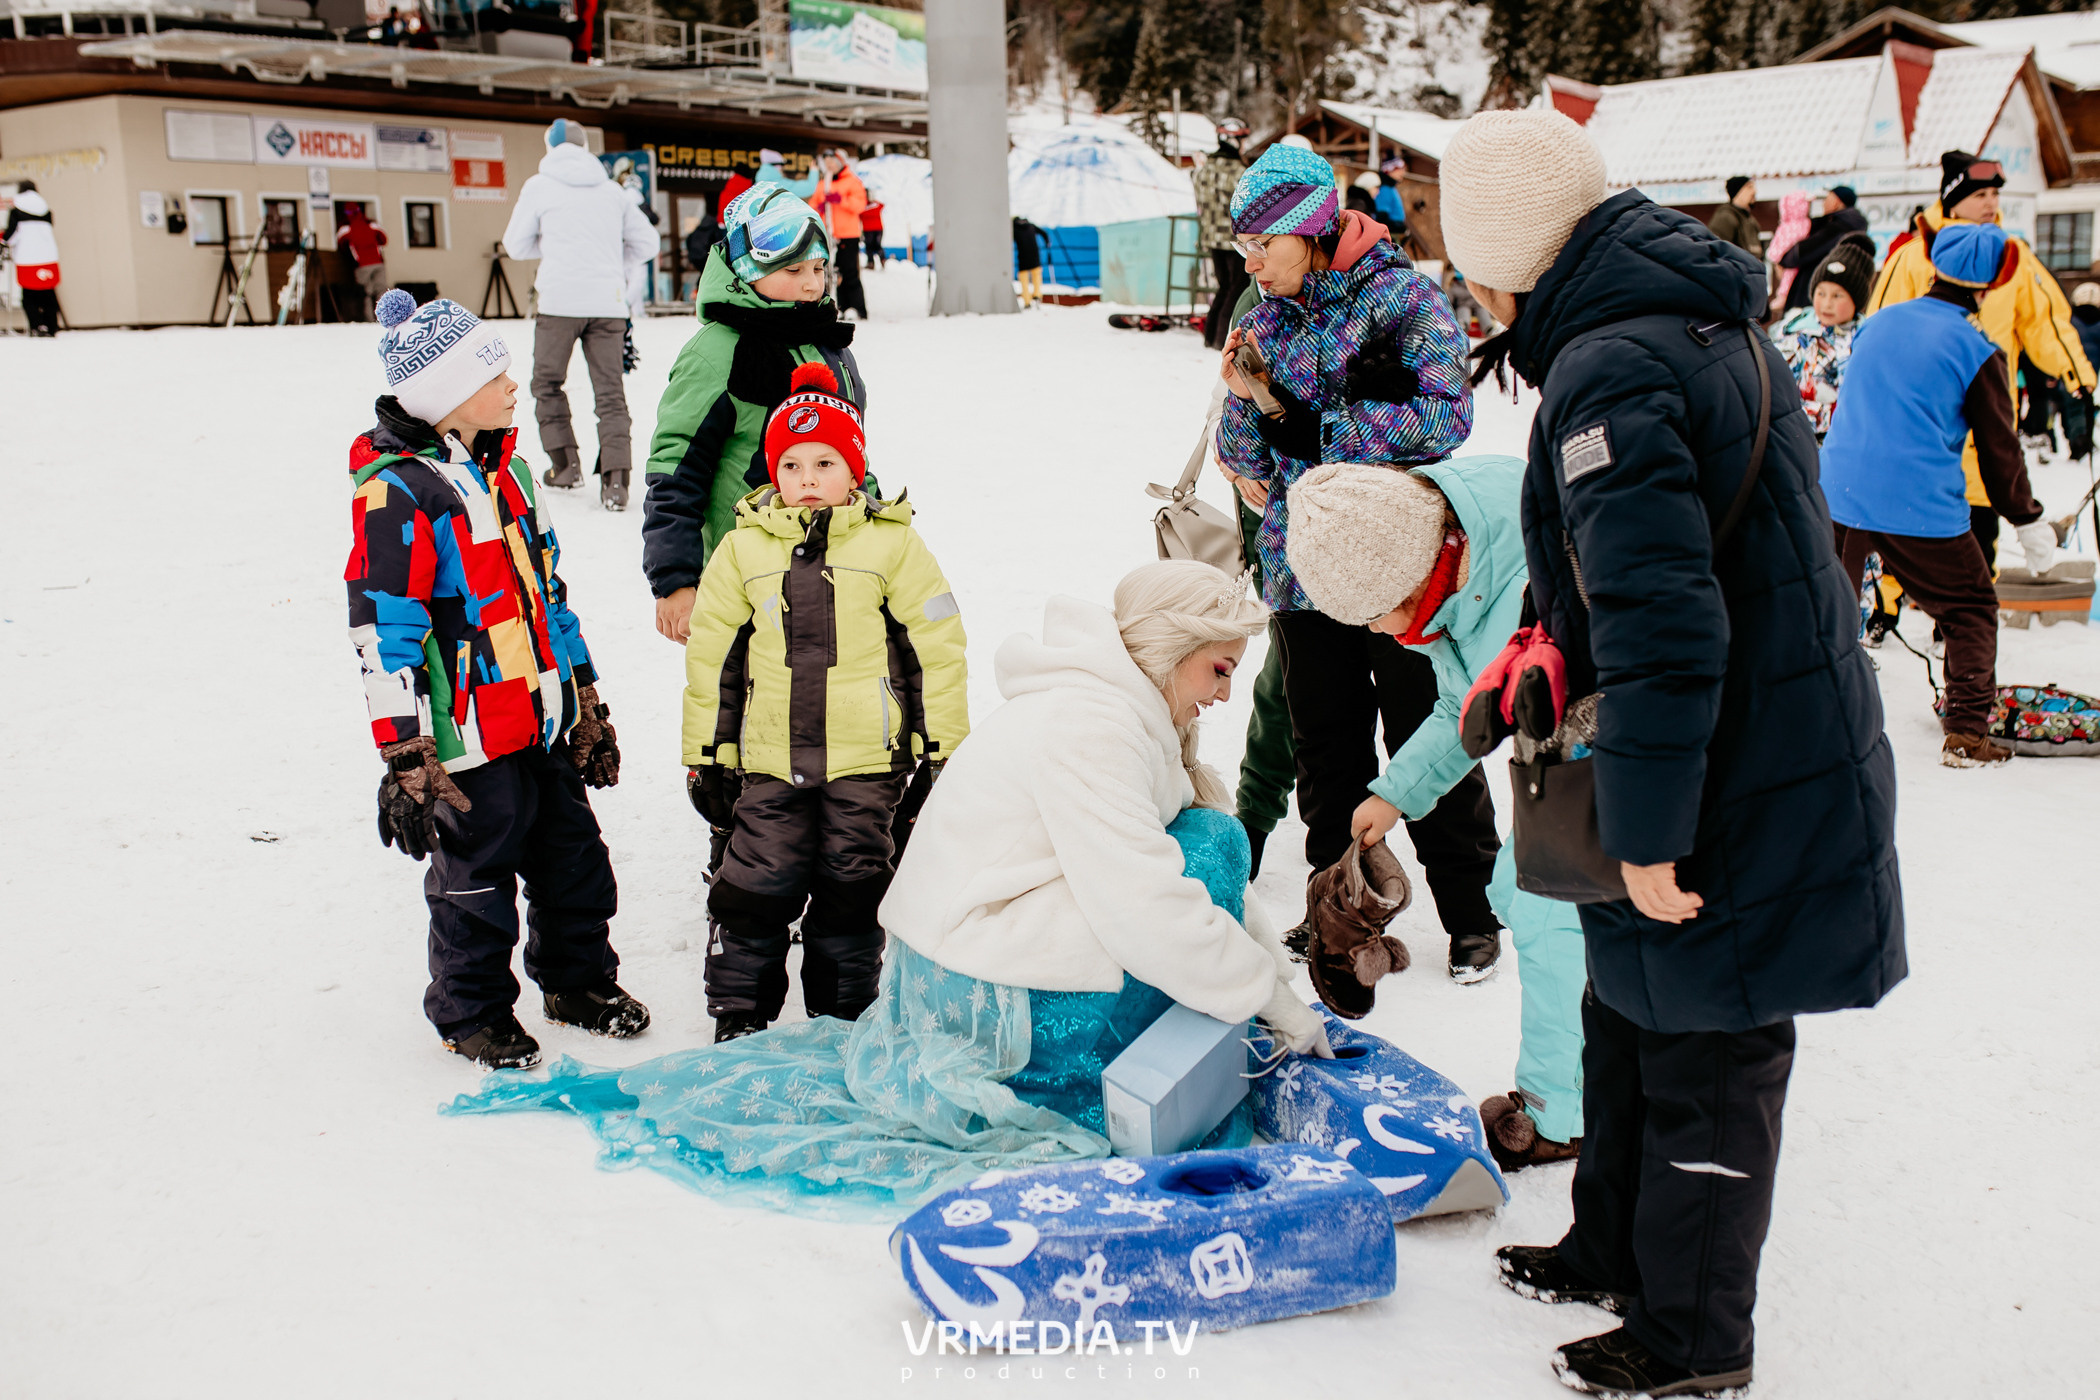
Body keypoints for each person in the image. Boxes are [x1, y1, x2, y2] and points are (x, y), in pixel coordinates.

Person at [1439, 109, 1904, 1399]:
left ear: (1507, 257)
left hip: (1726, 775)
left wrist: (1645, 828)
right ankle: (1613, 1241)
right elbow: (1635, 578)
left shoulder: (1614, 371)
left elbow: (1663, 615)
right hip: (1717, 745)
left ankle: (1692, 1335)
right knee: (1631, 1011)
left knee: (1705, 1044)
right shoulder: (1682, 325)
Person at [444, 561, 1331, 1216]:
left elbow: (1162, 882)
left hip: (963, 966)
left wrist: (1266, 987)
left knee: (1206, 844)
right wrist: (1267, 999)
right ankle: (1092, 1079)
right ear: (1172, 653)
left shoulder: (1112, 708)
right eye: (1219, 669)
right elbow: (1150, 904)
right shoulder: (1091, 725)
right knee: (1210, 845)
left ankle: (1173, 1035)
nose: (1223, 693)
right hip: (984, 994)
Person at [1214, 141, 1504, 983]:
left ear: (1307, 230)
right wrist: (1244, 402)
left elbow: (1449, 416)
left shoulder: (1402, 298)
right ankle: (1338, 909)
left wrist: (1330, 432)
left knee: (1428, 725)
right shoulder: (1261, 318)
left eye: (1261, 243)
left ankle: (1471, 911)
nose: (1251, 261)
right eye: (1244, 247)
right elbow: (1245, 456)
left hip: (1401, 568)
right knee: (1327, 750)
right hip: (1303, 572)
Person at [347, 289, 648, 1070]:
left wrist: (583, 697)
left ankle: (576, 983)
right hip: (468, 738)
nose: (514, 386)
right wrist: (406, 750)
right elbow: (385, 628)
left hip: (537, 719)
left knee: (575, 863)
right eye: (495, 376)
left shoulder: (510, 473)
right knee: (476, 885)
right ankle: (471, 1010)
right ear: (447, 397)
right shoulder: (402, 492)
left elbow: (549, 595)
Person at [1285, 455, 1589, 1171]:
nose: (1381, 636)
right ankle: (1600, 1063)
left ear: (1410, 575)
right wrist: (1395, 793)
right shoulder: (1455, 570)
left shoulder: (1529, 583)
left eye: (1374, 615)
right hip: (1567, 762)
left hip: (1613, 756)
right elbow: (1466, 704)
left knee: (1551, 914)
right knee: (1533, 900)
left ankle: (1560, 1112)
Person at [683, 363, 967, 1041]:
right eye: (790, 465)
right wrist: (707, 755)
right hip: (771, 760)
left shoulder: (893, 544)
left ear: (856, 469)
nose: (806, 480)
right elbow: (712, 659)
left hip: (866, 764)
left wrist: (941, 749)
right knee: (754, 886)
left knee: (853, 889)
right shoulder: (742, 549)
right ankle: (740, 1013)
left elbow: (937, 646)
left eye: (825, 462)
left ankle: (841, 1017)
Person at [1822, 222, 2057, 768]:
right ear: (1992, 284)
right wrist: (2026, 518)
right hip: (1916, 503)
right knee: (1970, 609)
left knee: (1824, 613)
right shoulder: (1977, 349)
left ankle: (1813, 722)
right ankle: (1967, 736)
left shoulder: (1876, 324)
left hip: (1836, 490)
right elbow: (2000, 453)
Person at [642, 186, 863, 661]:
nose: (812, 284)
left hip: (833, 566)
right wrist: (676, 578)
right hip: (744, 570)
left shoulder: (829, 345)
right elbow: (676, 469)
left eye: (819, 269)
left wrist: (878, 529)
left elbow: (852, 456)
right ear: (747, 271)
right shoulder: (717, 353)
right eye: (793, 270)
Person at [1864, 151, 2096, 566]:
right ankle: (1890, 609)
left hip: (1986, 421)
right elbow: (1877, 337)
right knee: (1908, 524)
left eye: (1995, 194)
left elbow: (2045, 323)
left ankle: (1958, 623)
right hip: (1922, 422)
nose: (1991, 203)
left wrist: (2077, 375)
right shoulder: (1914, 257)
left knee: (1978, 530)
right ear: (1951, 200)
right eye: (1980, 194)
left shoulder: (2013, 258)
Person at [501, 118, 658, 511]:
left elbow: (516, 245)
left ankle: (564, 464)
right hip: (608, 303)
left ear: (551, 146)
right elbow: (648, 243)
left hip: (558, 303)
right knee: (610, 392)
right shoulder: (612, 191)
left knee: (547, 383)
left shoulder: (539, 185)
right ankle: (616, 483)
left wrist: (556, 246)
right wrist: (608, 256)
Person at [1771, 231, 1874, 439]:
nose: (1827, 304)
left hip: (1842, 439)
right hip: (1793, 436)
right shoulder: (1796, 332)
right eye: (1821, 293)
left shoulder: (1866, 339)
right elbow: (1775, 381)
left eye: (1837, 296)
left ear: (1856, 302)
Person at [1194, 117, 1250, 349]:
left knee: (1224, 286)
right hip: (1234, 240)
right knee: (1236, 288)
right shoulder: (1239, 171)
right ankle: (1221, 339)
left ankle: (1210, 335)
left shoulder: (1203, 171)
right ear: (1234, 141)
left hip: (1211, 239)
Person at [1776, 185, 1870, 314]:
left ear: (1836, 202)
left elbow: (1803, 252)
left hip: (1812, 296)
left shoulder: (1837, 228)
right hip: (1832, 297)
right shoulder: (1852, 227)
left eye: (1827, 198)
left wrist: (1783, 259)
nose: (1823, 203)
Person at [812, 149, 869, 320]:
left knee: (850, 271)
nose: (830, 166)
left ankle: (858, 307)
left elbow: (860, 205)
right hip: (829, 235)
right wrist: (819, 208)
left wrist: (841, 200)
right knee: (835, 273)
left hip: (848, 234)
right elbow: (813, 205)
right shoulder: (824, 183)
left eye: (832, 162)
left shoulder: (852, 181)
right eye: (827, 163)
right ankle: (842, 306)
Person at [5, 180, 61, 336]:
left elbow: (11, 235)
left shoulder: (17, 210)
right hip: (49, 257)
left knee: (29, 296)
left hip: (27, 258)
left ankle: (37, 326)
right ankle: (52, 326)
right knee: (49, 294)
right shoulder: (46, 210)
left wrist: (4, 241)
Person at [335, 204, 390, 321]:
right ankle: (384, 317)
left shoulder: (346, 229)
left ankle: (369, 319)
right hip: (378, 263)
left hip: (362, 265)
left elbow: (340, 244)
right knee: (381, 291)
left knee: (366, 293)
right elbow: (384, 240)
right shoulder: (372, 225)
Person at [1706, 176, 1762, 261]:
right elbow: (1716, 251)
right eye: (1749, 187)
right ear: (1737, 192)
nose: (1754, 191)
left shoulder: (1751, 220)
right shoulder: (1725, 217)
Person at [1012, 214, 1046, 308]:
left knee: (1024, 279)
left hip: (1023, 256)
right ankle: (1037, 295)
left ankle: (1027, 301)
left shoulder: (1014, 228)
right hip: (1035, 255)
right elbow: (1044, 233)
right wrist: (1047, 242)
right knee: (1037, 276)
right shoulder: (1031, 225)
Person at [860, 198, 886, 269]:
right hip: (879, 229)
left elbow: (859, 214)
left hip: (868, 229)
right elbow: (882, 205)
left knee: (869, 246)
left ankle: (871, 263)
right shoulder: (876, 205)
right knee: (878, 245)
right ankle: (882, 259)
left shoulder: (862, 207)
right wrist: (874, 201)